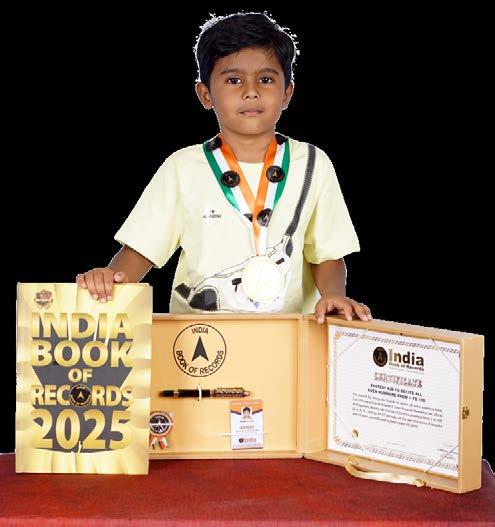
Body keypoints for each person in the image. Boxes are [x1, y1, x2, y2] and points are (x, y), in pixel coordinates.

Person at [76, 12, 371, 324]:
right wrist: (108, 280)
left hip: (289, 337)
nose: (251, 91)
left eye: (266, 79)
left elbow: (326, 254)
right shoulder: (182, 168)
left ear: (287, 93)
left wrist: (333, 294)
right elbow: (141, 251)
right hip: (198, 337)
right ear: (205, 94)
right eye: (233, 80)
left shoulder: (312, 164)